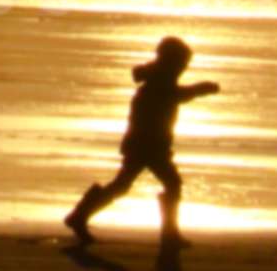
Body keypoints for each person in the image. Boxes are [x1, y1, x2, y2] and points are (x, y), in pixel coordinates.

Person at [64, 35, 218, 242]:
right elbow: (175, 96)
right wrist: (201, 89)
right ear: (171, 62)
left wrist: (199, 90)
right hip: (147, 146)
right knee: (169, 183)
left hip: (146, 145)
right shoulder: (157, 85)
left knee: (123, 185)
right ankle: (169, 233)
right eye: (182, 63)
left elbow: (175, 95)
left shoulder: (156, 81)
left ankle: (79, 216)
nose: (184, 68)